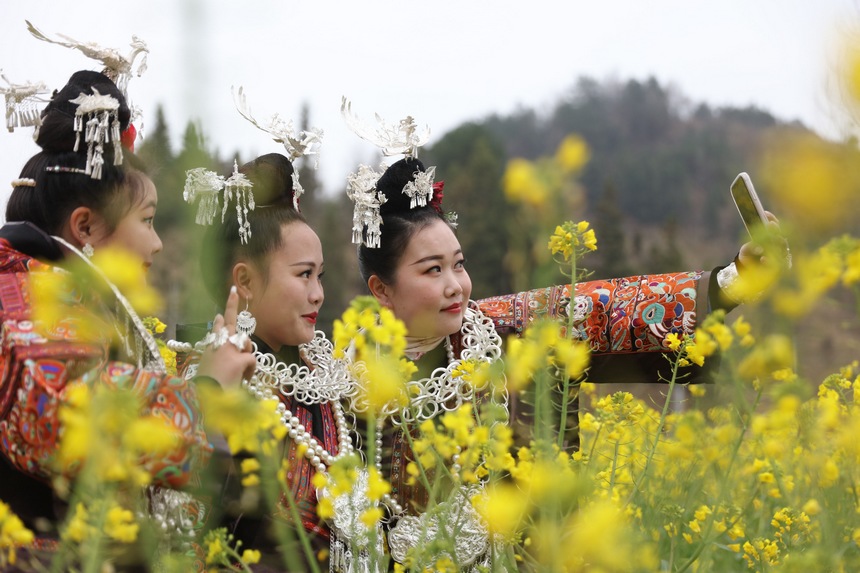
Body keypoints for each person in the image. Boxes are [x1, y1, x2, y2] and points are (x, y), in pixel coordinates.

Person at [350, 155, 777, 568]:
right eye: (432, 271)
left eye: (458, 265)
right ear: (381, 289)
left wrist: (736, 279)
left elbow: (608, 309)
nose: (456, 286)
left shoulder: (508, 339)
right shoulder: (341, 379)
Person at [0, 70, 255, 567]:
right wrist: (204, 393)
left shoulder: (69, 306)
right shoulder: (21, 302)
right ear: (86, 226)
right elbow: (67, 414)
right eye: (147, 220)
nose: (158, 243)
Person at [180, 152, 354, 570]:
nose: (318, 295)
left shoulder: (327, 375)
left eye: (320, 276)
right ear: (245, 281)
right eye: (303, 275)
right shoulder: (211, 377)